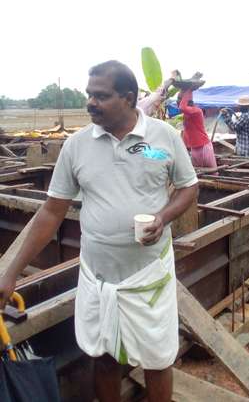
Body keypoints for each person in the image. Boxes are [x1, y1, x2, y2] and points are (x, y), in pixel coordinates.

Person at [0, 60, 198, 402]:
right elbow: (51, 212)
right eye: (89, 94)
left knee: (157, 358)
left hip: (148, 274)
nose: (90, 102)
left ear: (129, 98)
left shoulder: (163, 138)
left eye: (101, 96)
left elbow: (188, 188)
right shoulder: (77, 146)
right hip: (97, 276)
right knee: (104, 356)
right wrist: (11, 273)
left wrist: (163, 217)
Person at [177, 89, 217, 168]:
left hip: (203, 147)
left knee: (212, 173)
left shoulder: (197, 111)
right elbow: (187, 132)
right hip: (195, 148)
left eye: (180, 101)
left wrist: (188, 90)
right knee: (198, 173)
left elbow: (182, 107)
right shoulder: (186, 115)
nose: (179, 104)